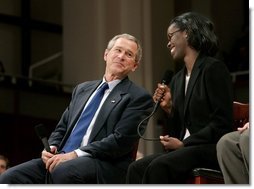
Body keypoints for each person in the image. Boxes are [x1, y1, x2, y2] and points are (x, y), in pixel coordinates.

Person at [0, 33, 154, 184]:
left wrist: (75, 154)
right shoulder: (82, 89)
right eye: (118, 50)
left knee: (63, 171)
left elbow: (120, 141)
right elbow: (62, 127)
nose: (121, 56)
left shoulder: (138, 97)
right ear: (106, 54)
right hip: (62, 157)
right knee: (8, 178)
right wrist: (52, 146)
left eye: (128, 54)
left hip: (102, 163)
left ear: (135, 65)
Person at [126, 12, 233, 184]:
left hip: (209, 148)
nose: (168, 43)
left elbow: (222, 123)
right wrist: (169, 109)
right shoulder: (177, 79)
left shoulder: (213, 68)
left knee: (158, 166)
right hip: (186, 150)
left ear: (187, 32)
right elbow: (179, 132)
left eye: (171, 36)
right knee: (136, 168)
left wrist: (185, 143)